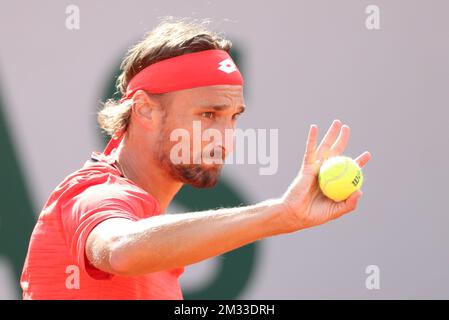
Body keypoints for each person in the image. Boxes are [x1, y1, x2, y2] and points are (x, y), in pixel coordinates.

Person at [20, 19, 372, 299]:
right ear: (144, 109)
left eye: (233, 117)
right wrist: (281, 214)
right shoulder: (94, 192)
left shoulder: (154, 233)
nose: (225, 136)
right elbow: (120, 250)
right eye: (208, 114)